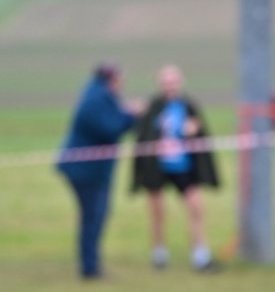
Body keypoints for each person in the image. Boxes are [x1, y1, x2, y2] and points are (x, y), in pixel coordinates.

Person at [131, 64, 221, 271]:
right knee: (157, 211)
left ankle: (200, 255)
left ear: (180, 83)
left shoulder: (188, 106)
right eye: (166, 82)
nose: (170, 86)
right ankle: (159, 253)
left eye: (173, 82)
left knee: (196, 208)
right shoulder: (153, 107)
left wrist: (193, 131)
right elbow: (142, 135)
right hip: (157, 167)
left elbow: (200, 136)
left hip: (183, 166)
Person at [56, 63, 141, 279]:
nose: (122, 84)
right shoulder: (97, 99)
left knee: (94, 215)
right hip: (85, 170)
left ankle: (91, 264)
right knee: (94, 215)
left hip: (92, 169)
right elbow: (109, 129)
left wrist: (125, 114)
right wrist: (132, 115)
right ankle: (90, 267)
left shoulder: (100, 96)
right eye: (120, 80)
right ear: (111, 80)